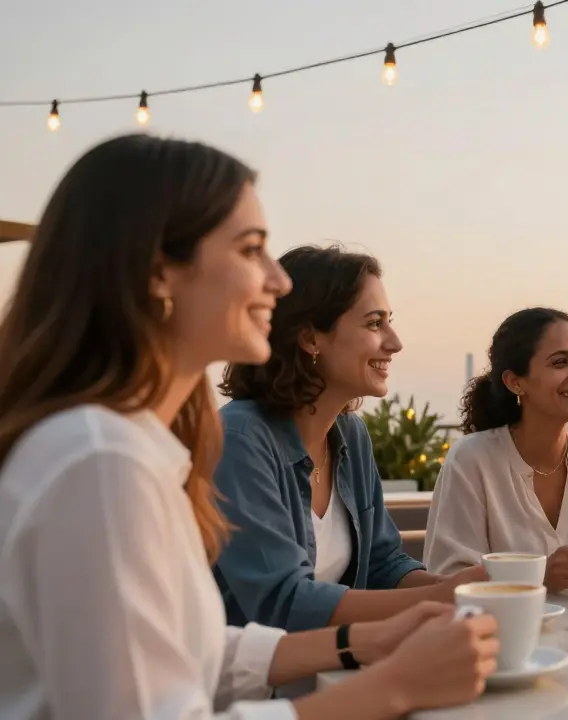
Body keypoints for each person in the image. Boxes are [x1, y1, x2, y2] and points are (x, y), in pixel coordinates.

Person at [0, 134, 497, 718]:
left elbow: (194, 653)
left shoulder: (129, 447)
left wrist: (367, 639)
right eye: (251, 249)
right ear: (159, 271)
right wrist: (395, 688)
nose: (278, 281)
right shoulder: (102, 463)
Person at [214, 244, 485, 632]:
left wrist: (466, 590)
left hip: (341, 668)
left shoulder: (350, 435)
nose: (394, 342)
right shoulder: (239, 439)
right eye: (375, 323)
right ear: (310, 338)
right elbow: (280, 601)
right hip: (259, 687)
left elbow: (382, 564)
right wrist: (440, 596)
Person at [422, 307, 568, 592]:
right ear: (516, 382)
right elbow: (448, 580)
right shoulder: (471, 459)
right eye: (560, 362)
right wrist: (537, 579)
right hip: (504, 634)